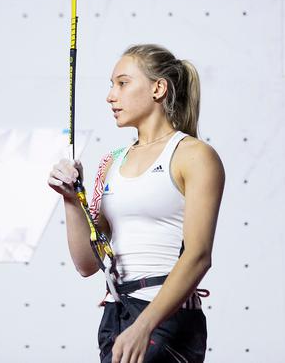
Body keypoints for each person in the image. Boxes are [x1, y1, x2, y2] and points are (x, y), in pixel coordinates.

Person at [48, 44, 225, 363]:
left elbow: (199, 256)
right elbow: (87, 264)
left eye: (123, 83)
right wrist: (71, 201)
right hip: (116, 318)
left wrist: (145, 326)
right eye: (111, 85)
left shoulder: (194, 156)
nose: (111, 96)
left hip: (165, 319)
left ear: (158, 88)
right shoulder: (109, 163)